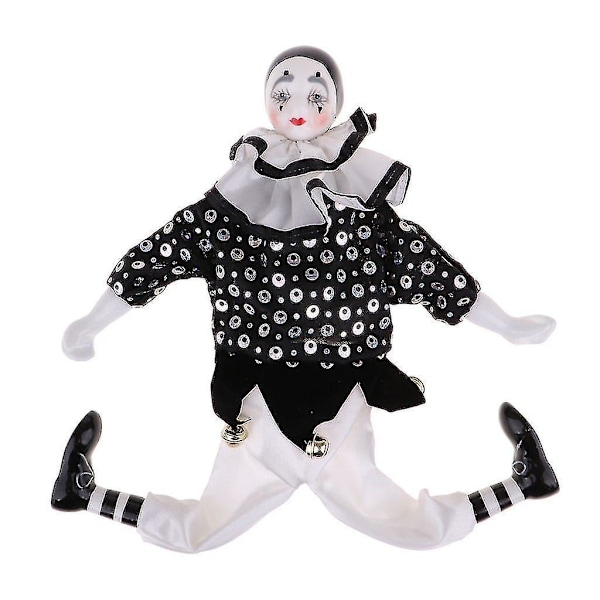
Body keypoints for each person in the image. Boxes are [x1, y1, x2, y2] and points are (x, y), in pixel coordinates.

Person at [52, 47, 558, 552]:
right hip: (257, 403)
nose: (298, 106)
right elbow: (159, 254)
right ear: (265, 103)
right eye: (283, 92)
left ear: (334, 108)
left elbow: (432, 270)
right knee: (200, 533)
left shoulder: (363, 219)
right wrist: (92, 321)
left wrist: (507, 324)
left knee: (412, 530)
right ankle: (80, 491)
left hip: (342, 400)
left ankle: (527, 481)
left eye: (316, 95)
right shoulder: (226, 215)